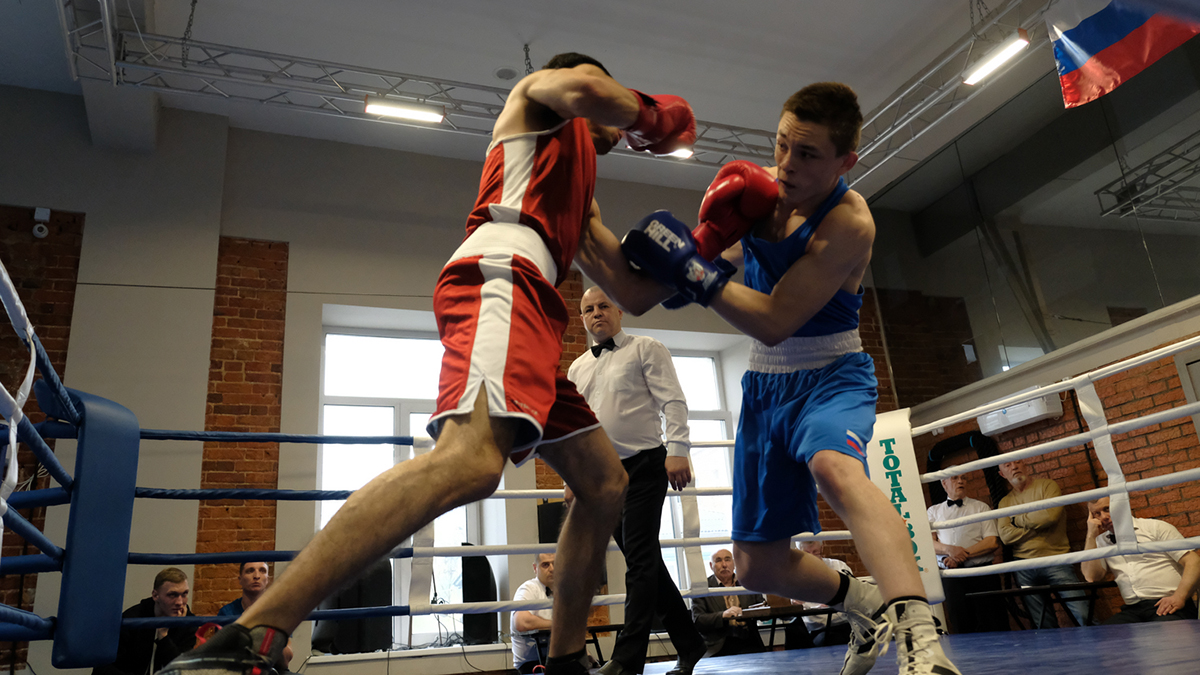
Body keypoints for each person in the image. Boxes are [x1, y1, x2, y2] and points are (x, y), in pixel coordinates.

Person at [162, 52, 696, 675]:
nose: (618, 133)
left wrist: (704, 266)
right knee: (470, 467)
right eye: (614, 107)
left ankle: (567, 659)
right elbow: (581, 88)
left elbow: (630, 292)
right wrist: (654, 116)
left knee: (606, 485)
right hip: (503, 276)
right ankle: (252, 631)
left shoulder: (581, 197)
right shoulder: (540, 102)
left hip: (536, 306)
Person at [620, 83, 961, 675]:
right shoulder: (755, 196)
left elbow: (775, 319)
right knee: (757, 569)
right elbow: (650, 295)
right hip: (764, 387)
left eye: (807, 154)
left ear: (844, 161)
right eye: (781, 146)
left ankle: (922, 642)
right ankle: (864, 602)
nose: (786, 165)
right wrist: (666, 256)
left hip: (832, 374)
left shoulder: (850, 222)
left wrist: (696, 275)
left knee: (835, 466)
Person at [566, 286, 707, 675]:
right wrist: (573, 475)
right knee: (644, 562)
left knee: (640, 560)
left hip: (646, 465)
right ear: (582, 318)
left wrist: (678, 448)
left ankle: (628, 660)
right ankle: (691, 643)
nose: (597, 313)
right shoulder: (577, 367)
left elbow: (673, 400)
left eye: (604, 306)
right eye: (588, 309)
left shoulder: (646, 348)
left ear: (620, 310)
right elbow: (578, 428)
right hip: (603, 475)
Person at [996, 458, 1091, 628]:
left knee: (1083, 614)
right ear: (1002, 474)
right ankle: (1053, 655)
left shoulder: (1048, 487)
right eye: (1007, 465)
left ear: (1026, 464)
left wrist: (1017, 520)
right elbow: (1006, 536)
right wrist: (1038, 526)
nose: (1014, 467)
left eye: (1017, 462)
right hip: (1024, 565)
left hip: (1056, 559)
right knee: (1042, 622)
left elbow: (1050, 516)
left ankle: (1100, 651)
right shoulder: (1004, 502)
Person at [1081, 496, 1200, 624]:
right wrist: (1091, 535)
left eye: (1107, 509)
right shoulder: (1100, 541)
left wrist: (1179, 597)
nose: (1103, 517)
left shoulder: (1155, 527)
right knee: (1101, 639)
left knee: (1167, 640)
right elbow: (1091, 576)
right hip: (1133, 610)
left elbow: (1193, 562)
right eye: (1096, 514)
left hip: (1167, 605)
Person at [926, 474, 1005, 634]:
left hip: (982, 574)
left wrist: (959, 556)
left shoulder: (981, 507)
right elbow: (928, 543)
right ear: (944, 483)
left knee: (993, 623)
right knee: (961, 625)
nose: (961, 481)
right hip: (952, 578)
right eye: (955, 478)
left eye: (963, 478)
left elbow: (991, 542)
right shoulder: (933, 511)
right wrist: (949, 550)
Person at [93, 568, 196, 675]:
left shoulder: (188, 623)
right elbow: (102, 668)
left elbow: (181, 670)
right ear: (155, 595)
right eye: (172, 595)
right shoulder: (133, 619)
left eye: (184, 594)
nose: (180, 602)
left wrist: (164, 637)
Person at [216, 562, 294, 668]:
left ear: (268, 579)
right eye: (250, 571)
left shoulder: (278, 612)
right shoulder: (226, 613)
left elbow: (285, 662)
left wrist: (268, 632)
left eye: (262, 571)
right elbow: (220, 658)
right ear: (240, 579)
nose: (256, 576)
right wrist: (243, 626)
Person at [691, 549, 765, 658]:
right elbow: (698, 620)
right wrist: (722, 615)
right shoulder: (702, 587)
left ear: (734, 563)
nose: (724, 565)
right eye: (719, 561)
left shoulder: (748, 582)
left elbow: (762, 609)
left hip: (749, 640)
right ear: (711, 565)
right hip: (718, 645)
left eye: (727, 560)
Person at [790, 540, 854, 647]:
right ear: (798, 552)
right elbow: (808, 617)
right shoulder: (794, 576)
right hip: (819, 631)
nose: (812, 557)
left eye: (815, 552)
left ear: (821, 548)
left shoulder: (839, 566)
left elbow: (853, 597)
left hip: (848, 625)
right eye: (806, 553)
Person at [511, 553, 557, 674]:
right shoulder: (529, 588)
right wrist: (558, 624)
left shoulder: (561, 591)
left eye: (555, 564)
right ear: (535, 568)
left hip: (556, 659)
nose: (552, 569)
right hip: (532, 663)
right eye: (545, 565)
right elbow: (521, 622)